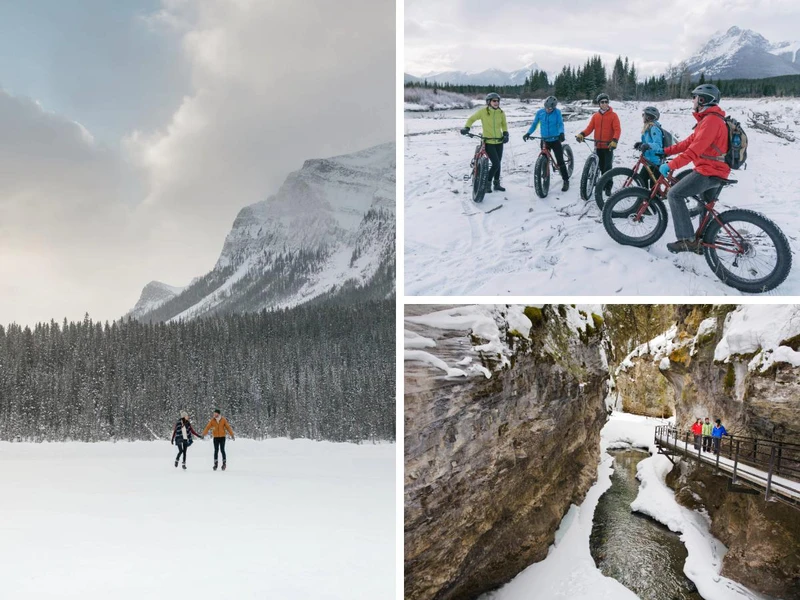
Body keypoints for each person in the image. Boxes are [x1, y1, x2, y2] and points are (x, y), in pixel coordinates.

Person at [659, 84, 730, 254]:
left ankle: (687, 241)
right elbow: (688, 143)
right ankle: (704, 240)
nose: (693, 100)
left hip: (709, 171)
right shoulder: (708, 120)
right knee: (705, 205)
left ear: (703, 100)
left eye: (695, 97)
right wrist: (665, 151)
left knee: (674, 194)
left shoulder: (711, 121)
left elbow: (692, 151)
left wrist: (670, 165)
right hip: (716, 169)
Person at [461, 92, 509, 193]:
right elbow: (472, 119)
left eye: (498, 101)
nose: (496, 103)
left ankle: (496, 184)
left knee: (498, 164)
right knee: (496, 164)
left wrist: (505, 134)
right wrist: (467, 127)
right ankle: (487, 183)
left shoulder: (501, 112)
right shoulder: (483, 112)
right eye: (494, 101)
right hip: (488, 141)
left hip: (499, 141)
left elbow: (504, 124)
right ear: (489, 102)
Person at [575, 92, 621, 195]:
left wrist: (614, 140)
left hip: (608, 146)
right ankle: (598, 181)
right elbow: (590, 128)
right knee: (599, 165)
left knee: (607, 168)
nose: (604, 104)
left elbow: (617, 130)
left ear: (608, 103)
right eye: (602, 102)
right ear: (599, 104)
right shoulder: (596, 116)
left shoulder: (613, 116)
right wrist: (582, 134)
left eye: (606, 102)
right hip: (598, 145)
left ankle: (608, 186)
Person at [522, 96, 570, 192]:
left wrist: (561, 133)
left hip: (555, 140)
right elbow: (534, 124)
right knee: (544, 160)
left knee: (560, 161)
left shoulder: (557, 112)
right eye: (546, 107)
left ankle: (566, 180)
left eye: (550, 108)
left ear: (554, 107)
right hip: (544, 140)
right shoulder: (540, 112)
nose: (548, 109)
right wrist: (528, 133)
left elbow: (560, 124)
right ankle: (545, 178)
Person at [633, 106, 665, 186]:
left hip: (656, 162)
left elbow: (658, 145)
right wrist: (641, 144)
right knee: (642, 181)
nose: (642, 116)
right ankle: (643, 195)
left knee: (654, 187)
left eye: (643, 114)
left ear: (648, 117)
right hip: (649, 161)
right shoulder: (648, 128)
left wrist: (647, 145)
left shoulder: (654, 128)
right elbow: (648, 142)